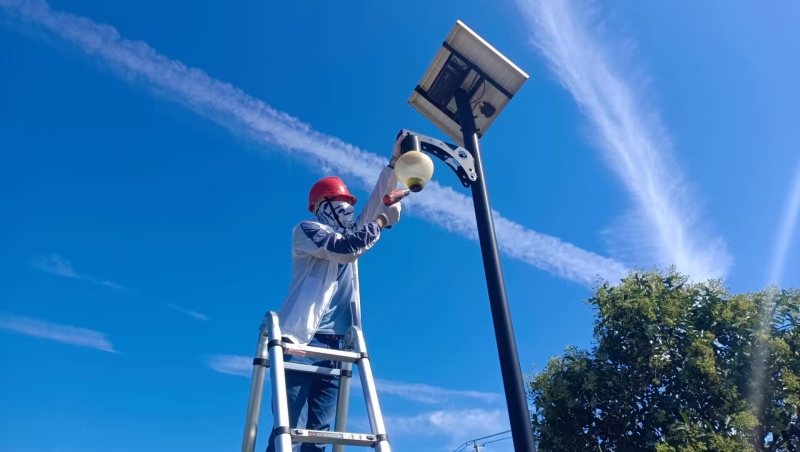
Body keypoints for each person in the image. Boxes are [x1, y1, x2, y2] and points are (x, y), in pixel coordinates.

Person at [265, 141, 403, 452]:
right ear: (320, 205)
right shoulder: (306, 231)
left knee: (320, 438)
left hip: (335, 347)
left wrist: (394, 163)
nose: (348, 208)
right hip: (301, 342)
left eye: (349, 202)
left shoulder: (351, 233)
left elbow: (374, 206)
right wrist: (382, 221)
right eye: (341, 201)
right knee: (289, 431)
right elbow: (346, 249)